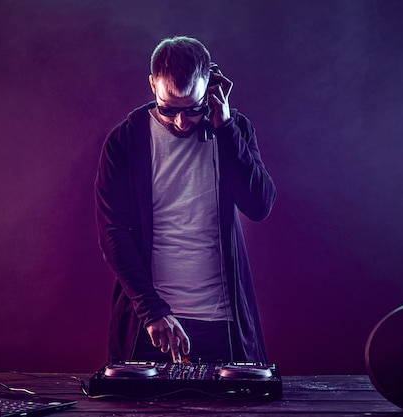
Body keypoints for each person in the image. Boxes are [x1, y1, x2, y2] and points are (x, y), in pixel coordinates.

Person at [95, 36, 276, 364]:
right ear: (153, 85)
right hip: (150, 322)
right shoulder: (124, 141)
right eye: (169, 109)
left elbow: (259, 205)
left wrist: (226, 130)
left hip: (224, 323)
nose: (180, 122)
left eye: (193, 109)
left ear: (212, 86)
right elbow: (112, 234)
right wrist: (152, 310)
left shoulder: (233, 131)